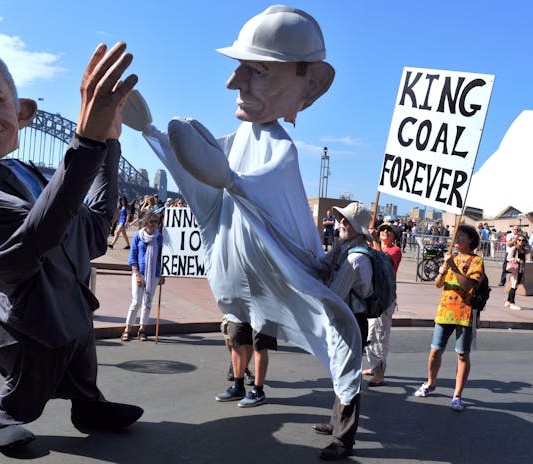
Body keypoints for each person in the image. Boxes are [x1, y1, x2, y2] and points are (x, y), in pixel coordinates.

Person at [127, 6, 363, 459]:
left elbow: (246, 183)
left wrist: (231, 180)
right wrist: (152, 132)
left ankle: (343, 433)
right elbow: (202, 172)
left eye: (256, 71)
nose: (234, 83)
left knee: (337, 343)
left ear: (306, 84)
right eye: (238, 69)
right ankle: (336, 420)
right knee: (330, 348)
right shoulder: (238, 142)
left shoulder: (280, 151)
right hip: (253, 278)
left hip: (298, 277)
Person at [0, 41, 143, 449]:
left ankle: (88, 405)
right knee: (33, 380)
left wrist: (107, 142)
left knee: (82, 364)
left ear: (22, 113)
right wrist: (86, 142)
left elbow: (93, 227)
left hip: (70, 303)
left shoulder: (27, 172)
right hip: (30, 321)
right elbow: (36, 236)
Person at [312, 202, 373, 459]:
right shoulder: (342, 248)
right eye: (340, 219)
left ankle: (343, 440)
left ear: (357, 229)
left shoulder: (355, 258)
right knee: (339, 372)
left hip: (352, 321)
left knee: (349, 380)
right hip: (343, 319)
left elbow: (335, 294)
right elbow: (320, 266)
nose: (341, 223)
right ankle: (336, 423)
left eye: (346, 221)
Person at [414, 223, 484, 412]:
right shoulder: (450, 258)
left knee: (462, 354)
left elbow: (469, 286)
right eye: (456, 235)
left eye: (461, 235)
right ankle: (430, 382)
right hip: (445, 311)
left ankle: (457, 395)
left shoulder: (476, 261)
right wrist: (443, 270)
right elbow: (438, 284)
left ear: (470, 239)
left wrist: (453, 266)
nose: (457, 238)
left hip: (465, 313)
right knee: (435, 351)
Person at [363, 223, 401, 387]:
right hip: (372, 296)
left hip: (385, 299)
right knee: (370, 334)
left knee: (380, 335)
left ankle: (380, 373)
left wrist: (374, 242)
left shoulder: (395, 251)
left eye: (389, 230)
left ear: (394, 236)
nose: (385, 232)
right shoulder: (372, 246)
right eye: (382, 229)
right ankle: (374, 366)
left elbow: (383, 262)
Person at [122, 211, 164, 341]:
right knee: (136, 301)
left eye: (156, 222)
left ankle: (142, 329)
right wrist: (137, 275)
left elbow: (163, 257)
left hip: (154, 274)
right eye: (152, 222)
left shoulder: (159, 237)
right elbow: (132, 256)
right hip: (139, 272)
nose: (154, 224)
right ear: (146, 222)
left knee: (148, 302)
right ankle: (127, 329)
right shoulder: (138, 236)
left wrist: (163, 274)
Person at [215, 318, 276, 408]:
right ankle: (238, 388)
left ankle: (258, 392)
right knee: (236, 341)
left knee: (260, 346)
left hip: (262, 309)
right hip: (239, 308)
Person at [504, 234, 526, 310]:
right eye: (519, 240)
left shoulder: (523, 249)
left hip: (521, 269)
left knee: (515, 285)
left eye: (523, 240)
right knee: (514, 285)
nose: (521, 242)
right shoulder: (514, 248)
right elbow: (508, 258)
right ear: (516, 240)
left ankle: (508, 301)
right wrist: (517, 260)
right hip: (515, 269)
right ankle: (512, 303)